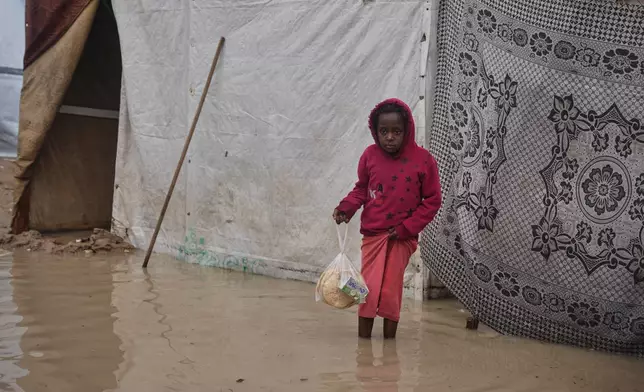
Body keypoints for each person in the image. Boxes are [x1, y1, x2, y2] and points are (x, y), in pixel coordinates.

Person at [333, 98, 442, 339]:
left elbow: (432, 200)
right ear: (375, 131)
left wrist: (406, 228)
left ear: (407, 131)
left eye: (396, 131)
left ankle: (388, 346)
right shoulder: (369, 155)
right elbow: (361, 188)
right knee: (367, 290)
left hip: (401, 238)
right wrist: (346, 208)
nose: (390, 137)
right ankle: (364, 347)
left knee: (391, 291)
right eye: (384, 131)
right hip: (373, 235)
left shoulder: (423, 160)